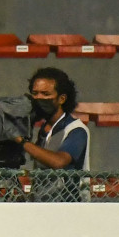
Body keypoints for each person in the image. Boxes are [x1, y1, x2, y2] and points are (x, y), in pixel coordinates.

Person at [15, 67, 90, 202]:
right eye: (35, 93)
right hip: (44, 206)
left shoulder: (76, 130)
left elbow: (59, 162)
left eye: (45, 94)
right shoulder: (44, 130)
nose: (39, 98)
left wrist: (21, 142)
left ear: (61, 98)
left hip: (70, 207)